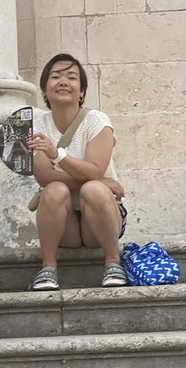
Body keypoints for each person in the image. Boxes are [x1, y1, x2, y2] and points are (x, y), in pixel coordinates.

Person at [27, 53, 127, 291]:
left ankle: (113, 262)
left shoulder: (96, 121)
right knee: (54, 189)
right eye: (55, 76)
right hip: (64, 224)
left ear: (81, 92)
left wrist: (57, 155)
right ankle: (48, 268)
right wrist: (100, 179)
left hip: (101, 220)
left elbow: (93, 171)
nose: (63, 81)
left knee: (94, 189)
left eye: (71, 77)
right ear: (44, 90)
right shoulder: (36, 125)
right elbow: (44, 176)